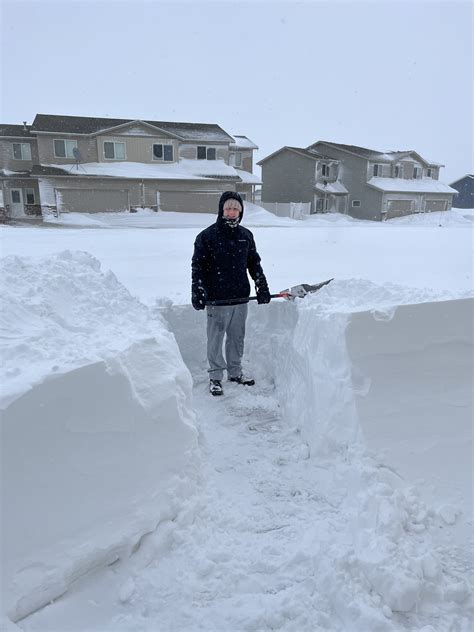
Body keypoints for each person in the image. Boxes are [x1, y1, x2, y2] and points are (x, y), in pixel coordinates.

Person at [191, 191, 271, 396]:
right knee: (215, 339)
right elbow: (197, 267)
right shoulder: (207, 236)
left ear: (241, 211)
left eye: (236, 208)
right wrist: (198, 290)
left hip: (240, 298)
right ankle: (216, 377)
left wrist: (261, 285)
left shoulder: (246, 235)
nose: (232, 211)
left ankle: (235, 372)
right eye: (228, 208)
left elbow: (254, 263)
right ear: (221, 210)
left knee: (237, 338)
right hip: (217, 300)